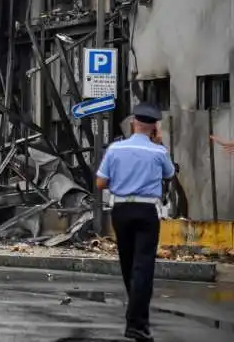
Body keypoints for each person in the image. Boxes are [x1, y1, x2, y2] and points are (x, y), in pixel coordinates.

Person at [97, 102, 175, 342]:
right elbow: (170, 174)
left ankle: (136, 318)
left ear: (133, 123)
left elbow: (100, 183)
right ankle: (137, 323)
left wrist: (120, 182)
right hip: (146, 212)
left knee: (128, 264)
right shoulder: (158, 151)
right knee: (143, 267)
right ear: (154, 128)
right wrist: (159, 142)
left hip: (121, 210)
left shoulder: (115, 149)